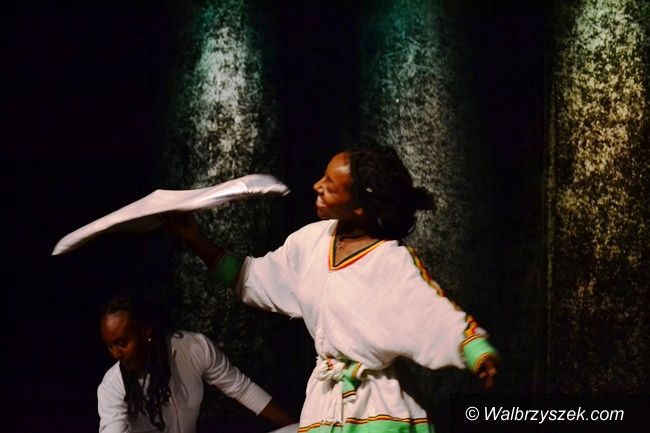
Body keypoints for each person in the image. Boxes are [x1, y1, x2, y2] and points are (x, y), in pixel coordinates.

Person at [161, 146, 498, 432]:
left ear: (360, 205)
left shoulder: (390, 260)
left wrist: (474, 349)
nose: (317, 186)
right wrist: (194, 239)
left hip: (378, 410)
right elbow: (250, 279)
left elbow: (430, 309)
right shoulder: (310, 242)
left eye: (330, 184)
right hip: (324, 408)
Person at [97, 296, 296, 433]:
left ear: (145, 331)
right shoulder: (113, 386)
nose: (116, 353)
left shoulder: (193, 348)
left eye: (121, 343)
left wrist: (299, 427)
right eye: (109, 346)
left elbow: (242, 389)